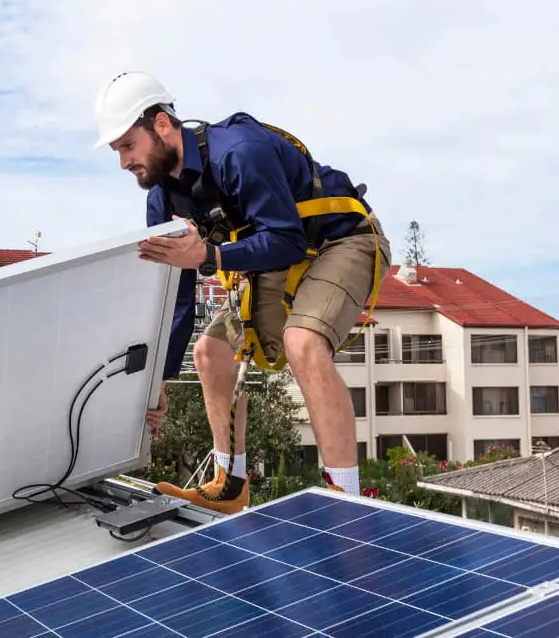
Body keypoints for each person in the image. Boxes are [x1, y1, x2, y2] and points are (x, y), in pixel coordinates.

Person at [94, 71, 391, 514]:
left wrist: (210, 258)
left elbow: (286, 239)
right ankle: (230, 483)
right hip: (280, 257)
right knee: (209, 354)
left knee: (303, 342)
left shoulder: (239, 154)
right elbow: (177, 293)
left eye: (127, 146)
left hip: (341, 240)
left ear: (160, 124)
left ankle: (346, 506)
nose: (123, 162)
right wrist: (158, 380)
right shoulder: (162, 199)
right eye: (117, 151)